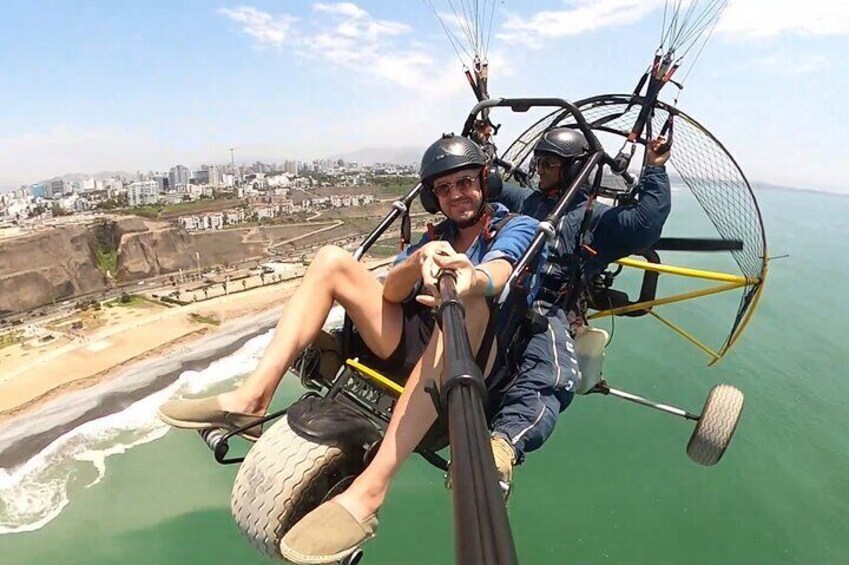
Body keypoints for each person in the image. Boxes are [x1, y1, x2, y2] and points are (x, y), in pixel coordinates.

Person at [158, 134, 541, 564]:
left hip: (467, 352)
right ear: (434, 197)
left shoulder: (514, 225)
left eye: (466, 182)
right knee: (330, 260)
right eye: (445, 188)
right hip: (412, 342)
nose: (457, 195)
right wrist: (419, 261)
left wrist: (469, 279)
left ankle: (370, 490)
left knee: (466, 303)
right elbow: (393, 291)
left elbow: (502, 269)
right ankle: (252, 399)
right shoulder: (437, 236)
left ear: (484, 182)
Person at [488, 127, 672, 487]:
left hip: (545, 307)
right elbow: (491, 187)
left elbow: (646, 223)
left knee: (555, 374)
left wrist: (654, 168)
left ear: (574, 170)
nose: (539, 169)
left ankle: (504, 445)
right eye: (538, 162)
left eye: (548, 164)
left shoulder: (596, 220)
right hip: (503, 292)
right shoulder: (529, 200)